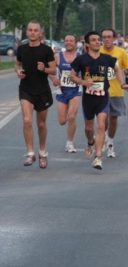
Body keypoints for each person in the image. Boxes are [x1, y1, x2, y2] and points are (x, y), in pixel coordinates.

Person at [70, 31, 128, 170]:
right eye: (94, 40)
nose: (98, 42)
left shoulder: (107, 58)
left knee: (101, 125)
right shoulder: (81, 59)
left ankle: (98, 158)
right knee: (89, 128)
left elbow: (117, 70)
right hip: (88, 99)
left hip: (103, 97)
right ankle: (90, 142)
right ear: (87, 44)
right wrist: (83, 82)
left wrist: (122, 84)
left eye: (98, 40)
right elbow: (72, 76)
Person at [15, 21, 56, 168]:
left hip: (42, 90)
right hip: (26, 89)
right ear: (27, 32)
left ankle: (42, 152)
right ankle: (30, 153)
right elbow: (17, 64)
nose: (33, 32)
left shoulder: (46, 50)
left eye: (35, 30)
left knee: (41, 124)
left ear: (40, 33)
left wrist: (44, 68)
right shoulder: (22, 49)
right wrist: (18, 71)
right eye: (30, 30)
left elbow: (54, 70)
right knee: (27, 121)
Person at [100, 28, 128, 158]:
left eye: (109, 37)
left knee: (113, 118)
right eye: (104, 37)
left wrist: (122, 72)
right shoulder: (97, 52)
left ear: (114, 39)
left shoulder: (121, 52)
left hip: (116, 90)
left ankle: (110, 141)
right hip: (100, 91)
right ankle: (102, 138)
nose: (106, 39)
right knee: (103, 118)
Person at [49, 34, 82, 153]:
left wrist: (82, 79)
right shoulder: (58, 56)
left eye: (71, 41)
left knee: (72, 117)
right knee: (62, 121)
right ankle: (69, 137)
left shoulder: (80, 57)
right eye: (66, 41)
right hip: (62, 91)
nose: (68, 43)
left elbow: (87, 72)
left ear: (76, 43)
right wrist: (54, 79)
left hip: (75, 90)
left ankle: (69, 143)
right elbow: (50, 70)